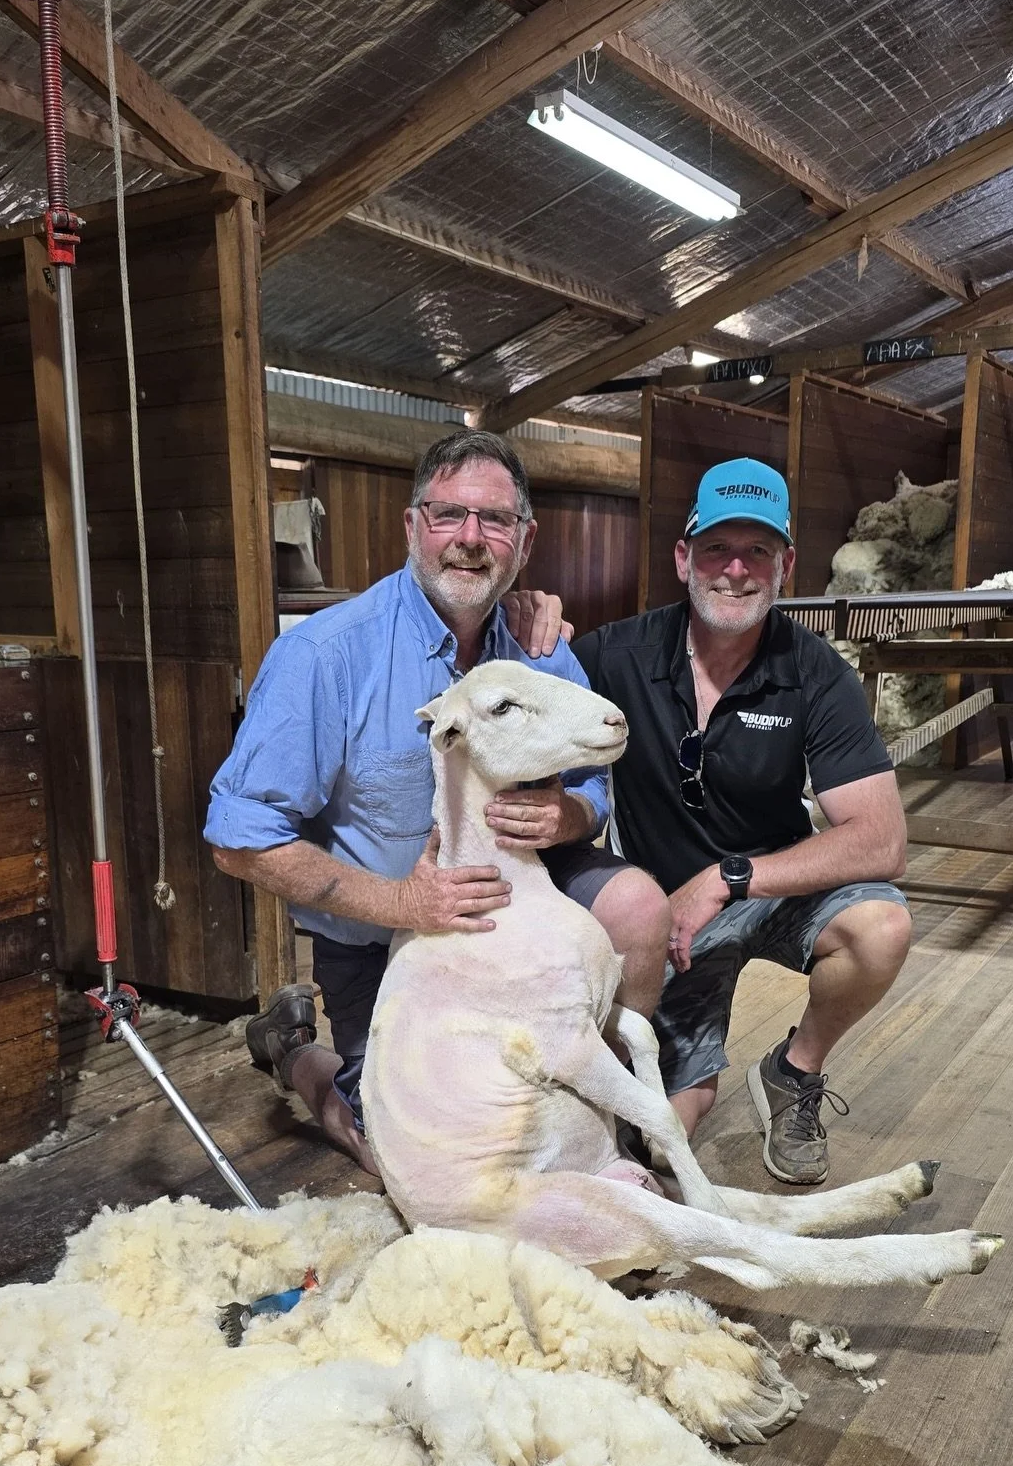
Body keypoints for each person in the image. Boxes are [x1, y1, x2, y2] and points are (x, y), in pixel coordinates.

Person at [205, 429, 671, 1174]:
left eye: (494, 521)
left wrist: (569, 815)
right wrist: (403, 905)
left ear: (525, 540)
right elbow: (239, 839)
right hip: (389, 937)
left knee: (640, 907)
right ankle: (295, 1052)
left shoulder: (537, 645)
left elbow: (589, 785)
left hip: (523, 904)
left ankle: (611, 1127)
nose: (470, 539)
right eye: (448, 515)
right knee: (391, 1147)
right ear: (412, 524)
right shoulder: (326, 656)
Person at [514, 455, 911, 1187]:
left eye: (757, 550)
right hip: (666, 920)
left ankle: (796, 1070)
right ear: (683, 557)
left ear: (786, 563)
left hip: (770, 891)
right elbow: (517, 688)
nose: (735, 569)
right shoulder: (614, 654)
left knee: (881, 928)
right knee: (663, 1138)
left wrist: (731, 877)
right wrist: (525, 608)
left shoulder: (816, 672)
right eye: (716, 549)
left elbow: (884, 841)